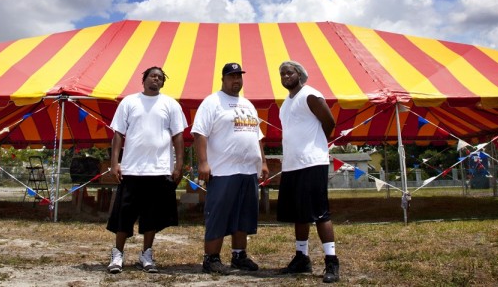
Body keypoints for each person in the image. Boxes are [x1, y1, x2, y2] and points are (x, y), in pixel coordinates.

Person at [106, 66, 187, 274]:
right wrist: (115, 163)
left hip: (159, 170)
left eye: (160, 78)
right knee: (124, 214)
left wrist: (178, 165)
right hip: (132, 169)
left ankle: (146, 254)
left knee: (152, 216)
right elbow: (118, 135)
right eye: (152, 76)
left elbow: (178, 136)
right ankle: (118, 254)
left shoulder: (171, 104)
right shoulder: (129, 102)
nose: (156, 80)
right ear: (143, 80)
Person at [191, 62, 269, 275]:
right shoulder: (212, 102)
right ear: (223, 79)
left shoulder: (248, 104)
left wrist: (262, 161)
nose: (236, 80)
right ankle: (211, 258)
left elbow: (258, 135)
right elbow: (200, 133)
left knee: (244, 214)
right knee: (219, 214)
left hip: (248, 170)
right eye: (232, 76)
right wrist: (203, 162)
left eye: (239, 76)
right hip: (223, 170)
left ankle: (239, 255)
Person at [277, 60, 340, 283]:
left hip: (312, 162)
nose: (285, 76)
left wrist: (317, 144)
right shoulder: (285, 103)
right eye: (282, 73)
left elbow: (329, 122)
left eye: (289, 72)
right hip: (292, 164)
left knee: (320, 212)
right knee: (298, 213)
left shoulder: (310, 94)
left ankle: (331, 261)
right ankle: (301, 258)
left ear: (300, 75)